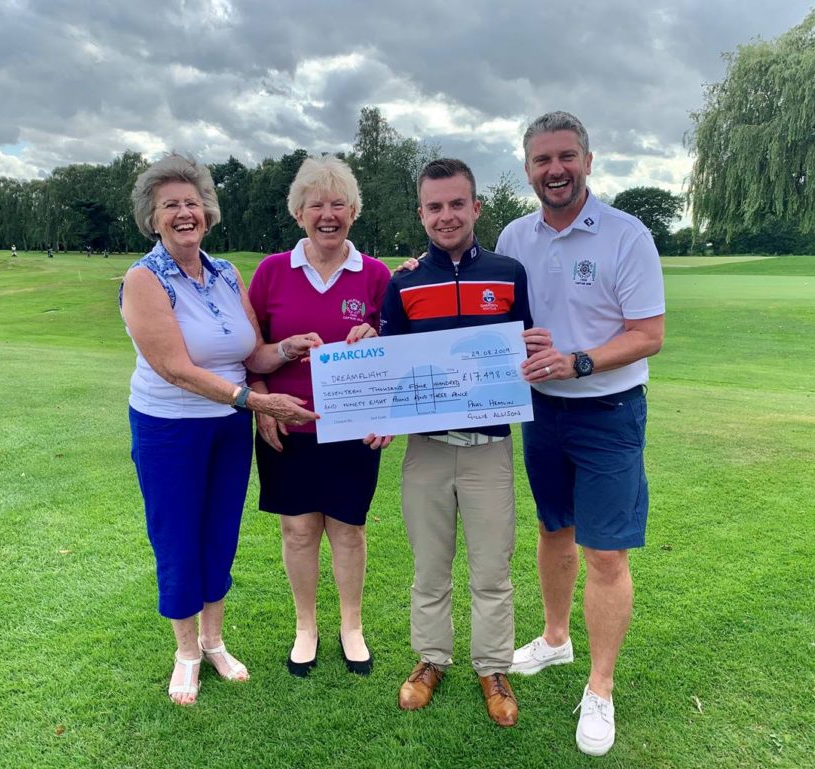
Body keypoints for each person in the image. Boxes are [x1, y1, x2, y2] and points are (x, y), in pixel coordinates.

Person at [119, 153, 321, 705]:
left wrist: (287, 347)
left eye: (192, 203)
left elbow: (250, 352)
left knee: (219, 534)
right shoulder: (143, 279)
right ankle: (186, 652)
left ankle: (213, 640)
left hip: (227, 430)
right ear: (153, 217)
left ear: (207, 212)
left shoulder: (226, 272)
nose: (184, 213)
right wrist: (257, 401)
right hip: (169, 430)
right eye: (170, 206)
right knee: (178, 536)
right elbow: (175, 367)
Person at [496, 111, 665, 756]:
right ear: (528, 169)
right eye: (541, 160)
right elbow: (491, 309)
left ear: (587, 161)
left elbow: (648, 334)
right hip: (542, 412)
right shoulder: (515, 236)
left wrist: (578, 361)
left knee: (605, 553)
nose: (554, 170)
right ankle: (557, 640)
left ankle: (600, 686)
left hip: (607, 411)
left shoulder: (626, 236)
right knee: (553, 530)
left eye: (565, 157)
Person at [381, 158, 533, 727]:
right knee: (430, 566)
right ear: (421, 213)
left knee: (492, 567)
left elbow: (528, 350)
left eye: (456, 204)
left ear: (477, 207)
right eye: (434, 207)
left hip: (488, 447)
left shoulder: (509, 272)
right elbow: (390, 364)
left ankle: (493, 667)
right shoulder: (404, 283)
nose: (446, 216)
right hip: (426, 449)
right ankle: (431, 660)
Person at [247, 155, 392, 677]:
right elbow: (251, 352)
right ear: (298, 213)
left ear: (353, 210)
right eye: (316, 205)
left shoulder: (375, 275)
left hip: (353, 430)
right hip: (287, 426)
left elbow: (395, 354)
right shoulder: (270, 273)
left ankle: (350, 626)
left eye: (338, 204)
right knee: (298, 531)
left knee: (348, 530)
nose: (327, 214)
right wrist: (263, 397)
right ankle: (306, 626)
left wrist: (378, 337)